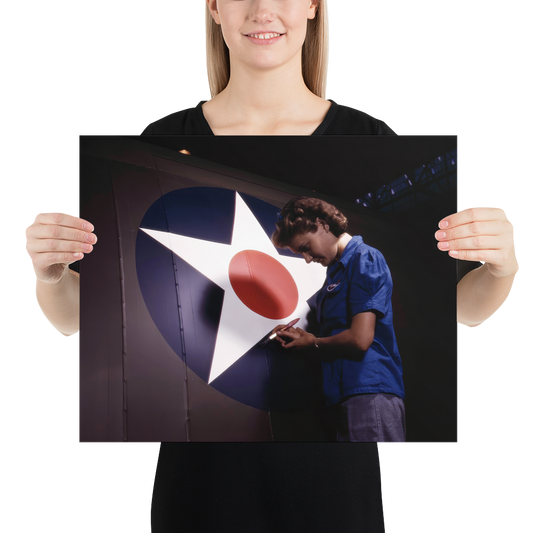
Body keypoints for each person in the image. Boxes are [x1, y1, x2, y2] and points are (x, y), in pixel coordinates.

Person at [24, 0, 520, 339]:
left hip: (337, 468)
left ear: (312, 4)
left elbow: (457, 312)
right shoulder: (154, 139)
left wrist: (502, 267)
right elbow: (82, 322)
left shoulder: (374, 138)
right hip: (199, 469)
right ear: (213, 5)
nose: (263, 9)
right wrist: (50, 275)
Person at [270, 196, 406, 442]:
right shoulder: (336, 270)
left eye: (305, 247)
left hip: (369, 390)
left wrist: (313, 342)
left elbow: (360, 339)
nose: (308, 259)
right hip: (344, 394)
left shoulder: (364, 258)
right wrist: (305, 337)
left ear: (321, 224)